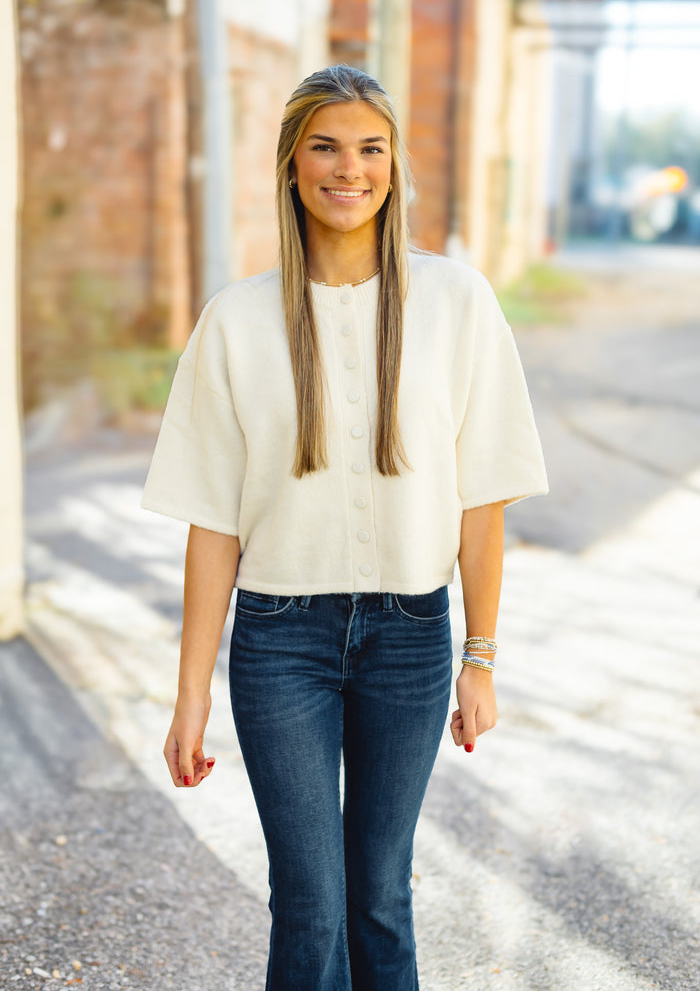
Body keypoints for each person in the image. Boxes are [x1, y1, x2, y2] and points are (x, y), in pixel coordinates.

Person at [142, 64, 548, 991]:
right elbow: (213, 521)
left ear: (396, 165)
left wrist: (479, 659)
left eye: (371, 148)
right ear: (291, 165)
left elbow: (482, 500)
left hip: (409, 639)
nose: (348, 168)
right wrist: (190, 693)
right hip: (282, 641)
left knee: (379, 895)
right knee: (312, 901)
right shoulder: (236, 321)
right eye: (324, 146)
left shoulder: (458, 304)